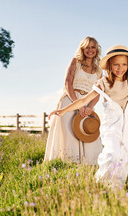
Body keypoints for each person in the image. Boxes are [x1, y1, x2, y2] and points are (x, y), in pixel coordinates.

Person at [49, 45, 128, 185]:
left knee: (124, 158)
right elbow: (84, 100)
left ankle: (115, 187)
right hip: (111, 129)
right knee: (112, 154)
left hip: (127, 130)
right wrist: (63, 110)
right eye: (116, 64)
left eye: (124, 64)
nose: (120, 68)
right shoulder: (104, 83)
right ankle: (100, 183)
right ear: (109, 65)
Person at [44, 36, 103, 164]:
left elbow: (98, 92)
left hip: (88, 102)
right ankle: (66, 163)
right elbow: (67, 83)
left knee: (86, 131)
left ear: (97, 50)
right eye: (87, 47)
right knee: (69, 132)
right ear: (82, 49)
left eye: (93, 47)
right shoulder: (75, 62)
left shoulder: (99, 70)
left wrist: (90, 107)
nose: (90, 50)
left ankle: (88, 164)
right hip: (70, 99)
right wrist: (77, 105)